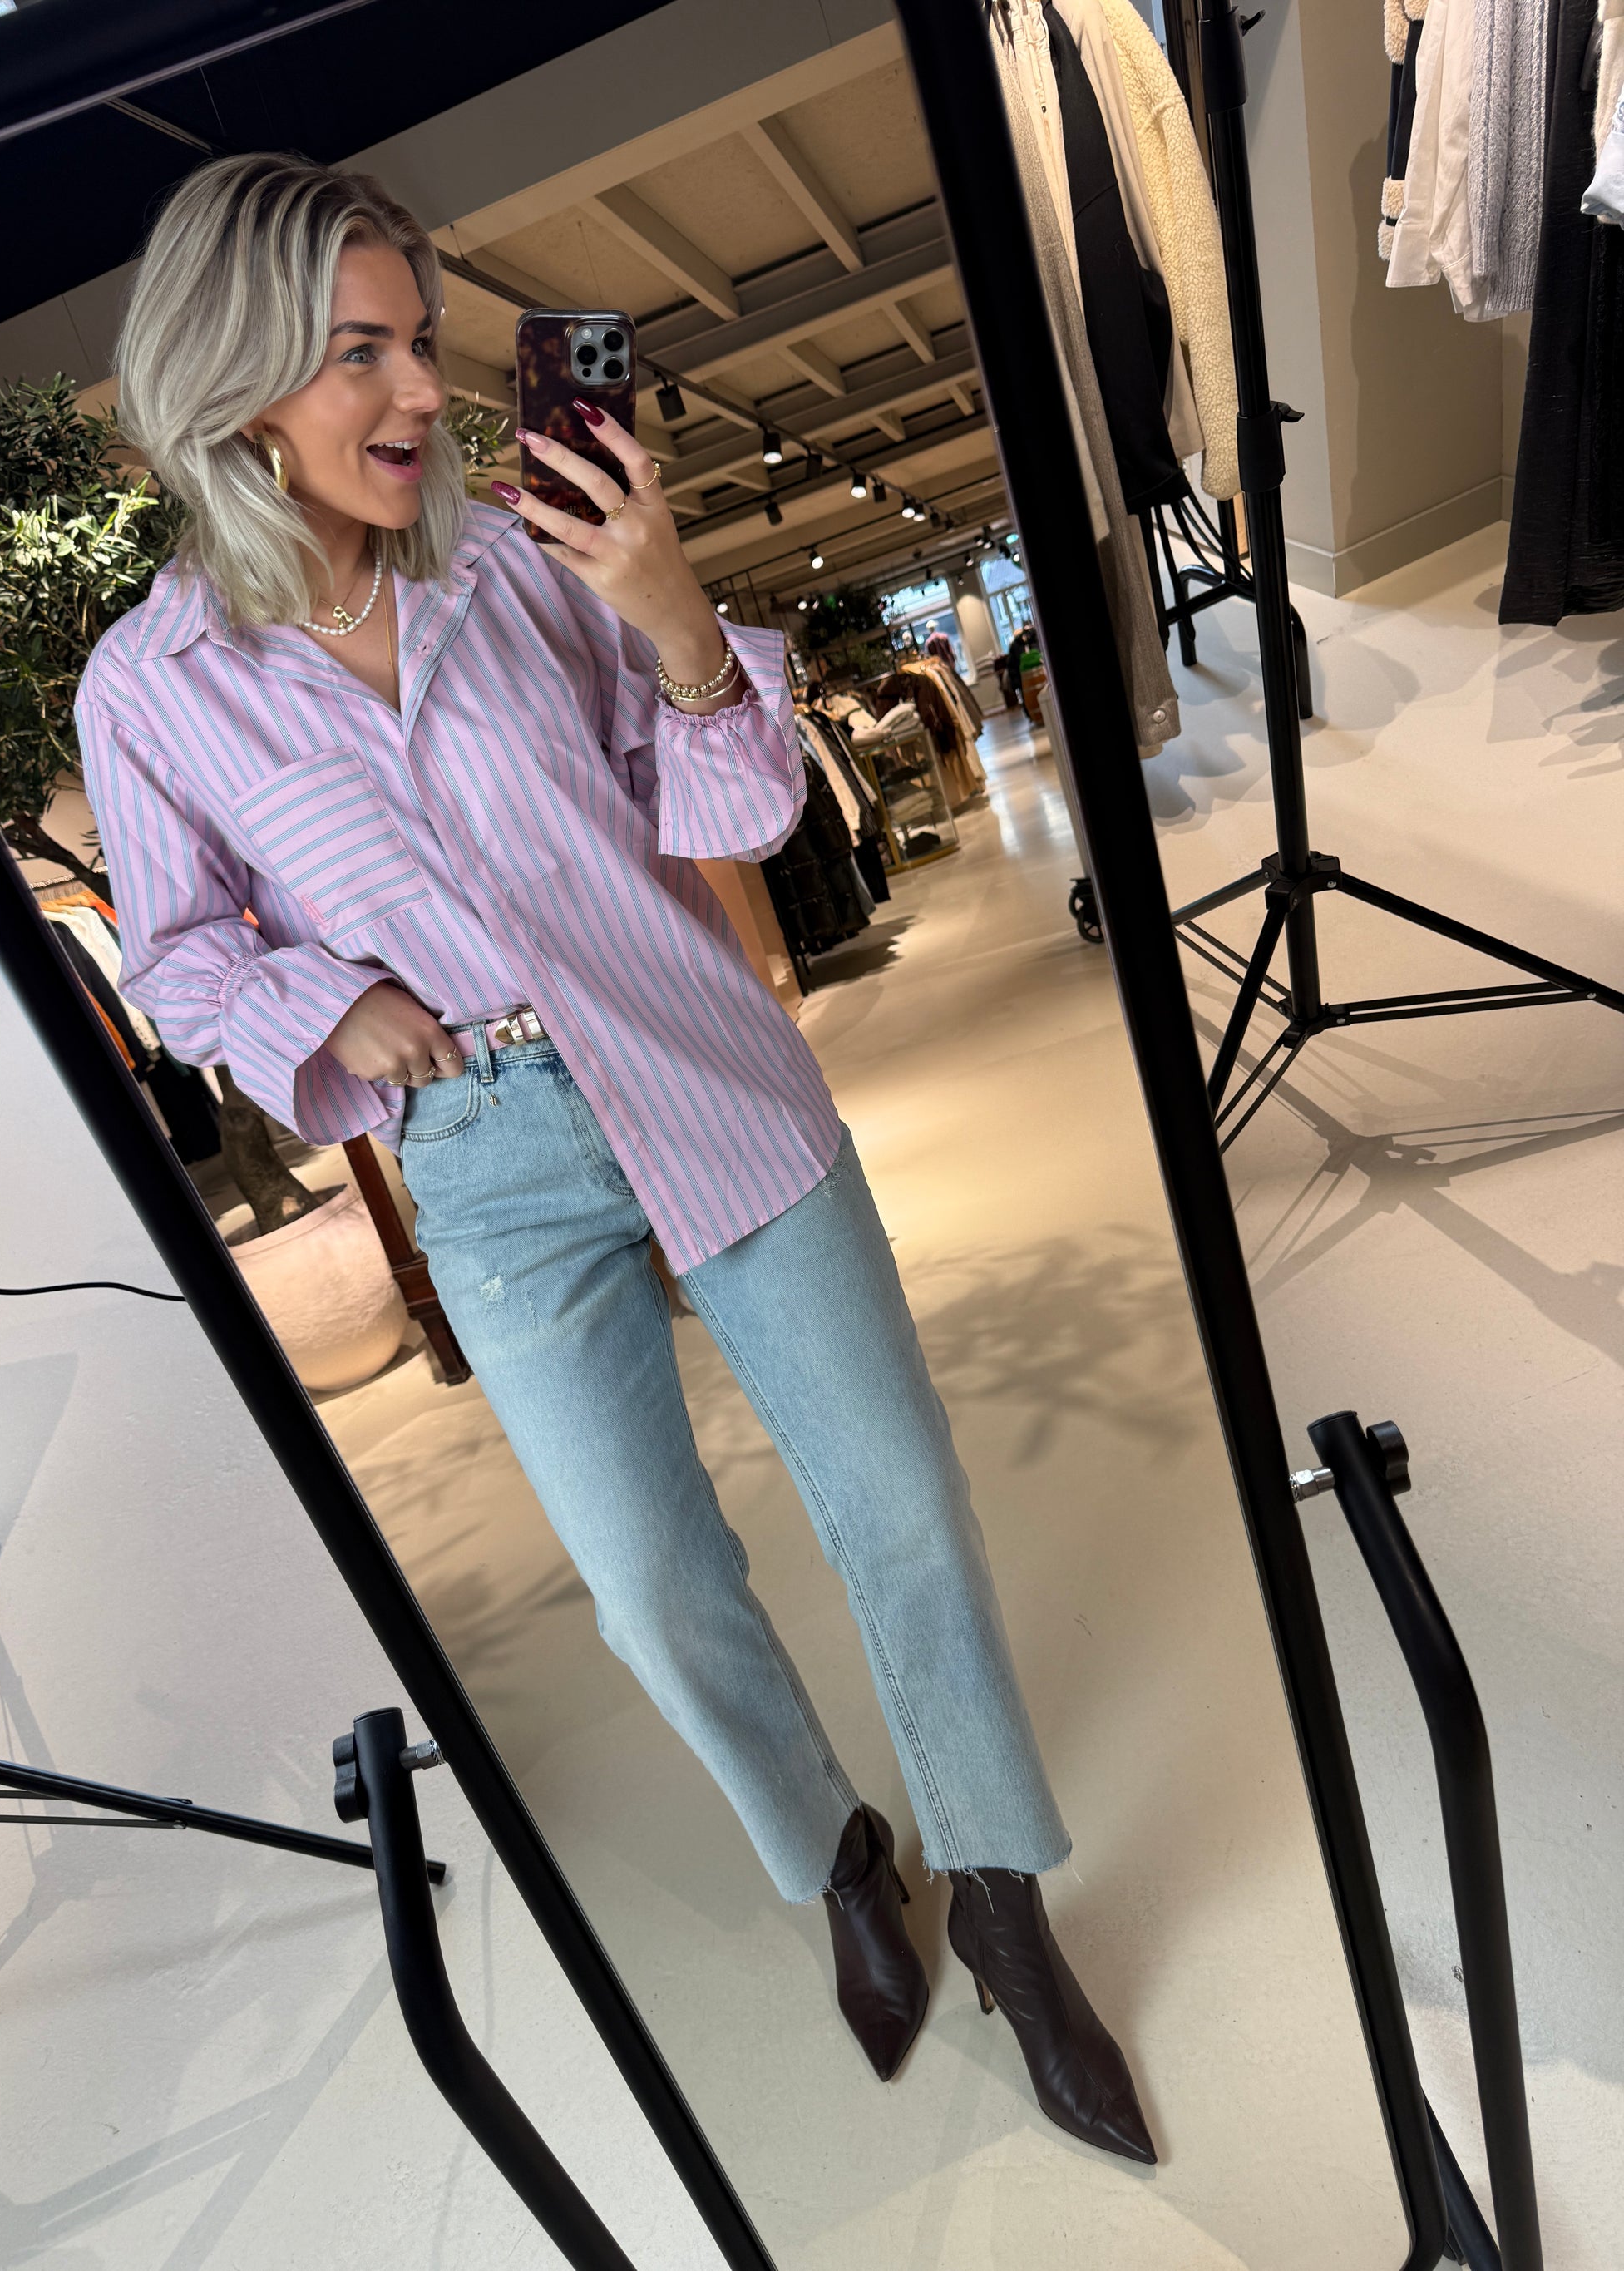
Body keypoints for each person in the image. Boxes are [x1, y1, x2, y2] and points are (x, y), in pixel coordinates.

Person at [76, 152, 1152, 2161]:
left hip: (699, 1064)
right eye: (360, 353)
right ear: (237, 383)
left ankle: (1002, 1897)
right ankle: (834, 1852)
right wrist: (324, 1005)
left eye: (424, 341)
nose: (422, 390)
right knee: (652, 1589)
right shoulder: (151, 689)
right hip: (482, 1146)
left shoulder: (516, 565)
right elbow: (175, 952)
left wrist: (671, 616)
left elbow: (732, 814)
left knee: (901, 1503)